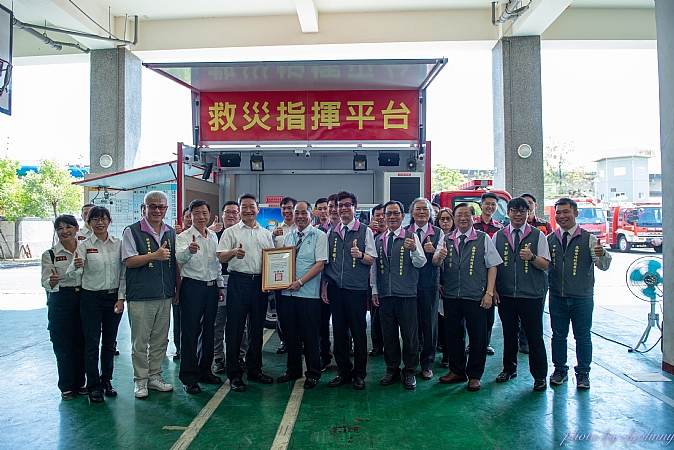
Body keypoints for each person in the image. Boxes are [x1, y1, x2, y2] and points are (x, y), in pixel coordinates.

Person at [434, 203, 502, 392]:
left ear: (473, 218)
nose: (463, 218)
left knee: (478, 336)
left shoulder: (482, 239)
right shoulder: (446, 239)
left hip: (475, 296)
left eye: (467, 215)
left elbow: (493, 265)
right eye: (459, 215)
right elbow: (435, 262)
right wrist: (439, 256)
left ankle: (474, 375)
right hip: (451, 295)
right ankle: (457, 371)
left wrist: (489, 293)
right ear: (454, 219)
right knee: (453, 335)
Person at [548, 197, 611, 390]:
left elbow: (603, 265)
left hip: (582, 298)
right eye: (558, 212)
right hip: (557, 296)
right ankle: (560, 370)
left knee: (582, 337)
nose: (562, 216)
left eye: (566, 212)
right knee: (558, 336)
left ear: (575, 213)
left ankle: (583, 373)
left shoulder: (589, 239)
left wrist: (602, 254)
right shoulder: (550, 239)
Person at [121, 190, 177, 399]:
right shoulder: (132, 231)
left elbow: (175, 265)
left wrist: (176, 290)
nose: (157, 210)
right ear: (144, 208)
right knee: (140, 341)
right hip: (141, 295)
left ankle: (155, 376)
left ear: (166, 209)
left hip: (164, 294)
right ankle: (140, 380)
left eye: (161, 207)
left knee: (160, 340)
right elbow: (129, 261)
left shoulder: (170, 232)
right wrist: (154, 255)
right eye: (152, 206)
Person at [217, 193, 275, 392]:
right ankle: (234, 374)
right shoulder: (230, 232)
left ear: (258, 209)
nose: (248, 210)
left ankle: (254, 369)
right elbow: (220, 257)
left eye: (252, 206)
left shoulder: (265, 234)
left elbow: (271, 260)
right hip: (238, 282)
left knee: (257, 329)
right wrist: (233, 252)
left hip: (260, 284)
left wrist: (271, 280)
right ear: (239, 210)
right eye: (244, 207)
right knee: (234, 329)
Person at [67, 206, 125, 403]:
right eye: (95, 219)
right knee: (91, 344)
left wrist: (121, 298)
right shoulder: (83, 245)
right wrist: (76, 267)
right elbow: (72, 273)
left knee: (109, 344)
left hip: (113, 298)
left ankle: (106, 381)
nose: (100, 223)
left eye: (104, 219)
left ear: (109, 221)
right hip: (91, 299)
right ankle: (93, 386)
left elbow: (123, 274)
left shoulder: (118, 244)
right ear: (89, 223)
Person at [492, 197, 550, 392]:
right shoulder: (498, 236)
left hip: (531, 295)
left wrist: (532, 257)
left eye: (522, 211)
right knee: (509, 335)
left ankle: (540, 376)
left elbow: (545, 264)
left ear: (528, 213)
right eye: (514, 210)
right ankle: (509, 369)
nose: (518, 214)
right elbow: (493, 265)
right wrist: (494, 289)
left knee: (534, 337)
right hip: (506, 294)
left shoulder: (538, 235)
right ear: (508, 212)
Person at [322, 191, 376, 390]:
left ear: (355, 207)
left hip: (356, 290)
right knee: (339, 332)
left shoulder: (364, 231)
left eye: (347, 205)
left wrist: (360, 255)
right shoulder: (332, 232)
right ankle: (343, 372)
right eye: (340, 205)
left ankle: (359, 374)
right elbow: (326, 264)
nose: (343, 208)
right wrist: (324, 287)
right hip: (336, 289)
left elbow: (371, 259)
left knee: (358, 332)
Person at [371, 200, 426, 389]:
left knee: (410, 336)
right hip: (385, 294)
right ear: (384, 217)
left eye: (396, 213)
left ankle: (410, 371)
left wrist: (414, 250)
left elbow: (421, 263)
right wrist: (375, 290)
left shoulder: (411, 237)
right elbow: (374, 268)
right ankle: (392, 369)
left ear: (403, 216)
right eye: (389, 214)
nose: (392, 217)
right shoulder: (379, 239)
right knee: (389, 335)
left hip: (406, 295)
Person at [277, 201, 329, 389]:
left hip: (308, 295)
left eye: (303, 213)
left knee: (310, 336)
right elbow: (281, 262)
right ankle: (293, 370)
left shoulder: (320, 236)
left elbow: (320, 265)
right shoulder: (289, 237)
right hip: (287, 293)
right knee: (290, 334)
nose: (299, 216)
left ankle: (313, 373)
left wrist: (300, 282)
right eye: (296, 213)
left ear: (311, 214)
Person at [176, 199, 225, 394]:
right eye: (196, 213)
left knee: (208, 331)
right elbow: (179, 258)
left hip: (211, 288)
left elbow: (216, 263)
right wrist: (189, 251)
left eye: (204, 213)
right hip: (192, 287)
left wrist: (220, 285)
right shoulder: (184, 237)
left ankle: (205, 371)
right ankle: (189, 377)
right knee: (190, 332)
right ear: (190, 216)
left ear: (209, 215)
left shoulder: (213, 236)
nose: (201, 217)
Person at [42, 214, 86, 400]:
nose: (65, 231)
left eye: (68, 227)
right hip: (61, 299)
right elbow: (46, 282)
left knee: (82, 342)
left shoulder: (85, 249)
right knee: (63, 344)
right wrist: (52, 281)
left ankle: (80, 382)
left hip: (84, 298)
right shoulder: (50, 254)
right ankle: (67, 386)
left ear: (77, 228)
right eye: (60, 228)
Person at [406, 198, 444, 381]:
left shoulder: (438, 232)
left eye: (425, 209)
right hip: (407, 285)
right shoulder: (405, 232)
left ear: (431, 213)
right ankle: (411, 364)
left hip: (429, 284)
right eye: (418, 209)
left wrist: (433, 251)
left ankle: (427, 364)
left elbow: (440, 259)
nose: (421, 212)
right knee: (411, 327)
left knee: (430, 325)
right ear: (412, 213)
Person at [212, 201, 247, 375]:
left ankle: (240, 355)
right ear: (222, 214)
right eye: (228, 212)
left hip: (239, 283)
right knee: (218, 323)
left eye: (235, 212)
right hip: (219, 283)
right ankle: (218, 357)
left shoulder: (244, 233)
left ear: (239, 215)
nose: (231, 215)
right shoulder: (213, 235)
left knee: (241, 323)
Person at [518, 192, 553, 354]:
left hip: (538, 273)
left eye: (529, 203)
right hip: (519, 274)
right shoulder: (510, 227)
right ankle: (521, 341)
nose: (526, 206)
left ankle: (528, 341)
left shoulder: (544, 226)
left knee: (534, 312)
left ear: (534, 206)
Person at [471, 192, 503, 356]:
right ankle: (471, 343)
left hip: (491, 272)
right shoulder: (472, 225)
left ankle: (486, 343)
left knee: (489, 312)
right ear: (481, 205)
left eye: (493, 204)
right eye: (487, 203)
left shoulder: (499, 229)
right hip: (473, 273)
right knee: (471, 311)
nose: (490, 207)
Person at [273, 197, 298, 355]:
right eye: (284, 208)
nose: (287, 211)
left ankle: (300, 340)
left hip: (299, 277)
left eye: (290, 208)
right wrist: (272, 235)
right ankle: (284, 340)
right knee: (281, 311)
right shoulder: (275, 230)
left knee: (298, 310)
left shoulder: (300, 227)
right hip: (280, 278)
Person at [314, 197, 333, 371]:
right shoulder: (315, 232)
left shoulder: (340, 229)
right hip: (321, 284)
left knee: (344, 323)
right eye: (319, 209)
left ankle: (344, 351)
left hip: (340, 284)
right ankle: (324, 355)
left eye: (326, 208)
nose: (324, 211)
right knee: (322, 323)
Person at [434, 208, 454, 368]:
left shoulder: (456, 238)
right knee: (441, 323)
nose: (445, 222)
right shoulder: (434, 238)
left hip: (455, 288)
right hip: (438, 287)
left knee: (453, 324)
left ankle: (451, 354)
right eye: (442, 219)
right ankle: (445, 354)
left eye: (448, 219)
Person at [368, 204, 386, 357]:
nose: (380, 218)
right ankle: (377, 344)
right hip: (372, 281)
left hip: (391, 281)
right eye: (377, 215)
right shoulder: (370, 235)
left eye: (383, 215)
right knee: (375, 314)